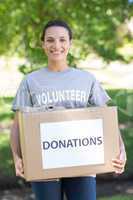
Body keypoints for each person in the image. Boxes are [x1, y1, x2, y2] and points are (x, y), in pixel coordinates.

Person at [10, 20, 126, 200]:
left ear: (70, 43)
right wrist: (17, 157)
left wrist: (121, 149)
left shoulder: (86, 78)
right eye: (50, 40)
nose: (57, 45)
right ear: (43, 44)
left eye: (62, 40)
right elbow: (18, 125)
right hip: (44, 161)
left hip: (82, 160)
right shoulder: (30, 81)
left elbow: (106, 118)